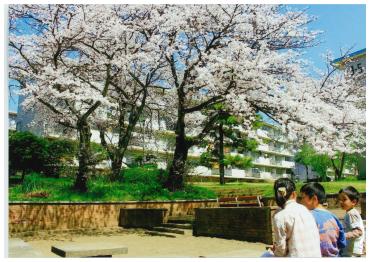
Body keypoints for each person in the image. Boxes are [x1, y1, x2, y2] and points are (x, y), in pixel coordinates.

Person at [263, 178, 321, 257]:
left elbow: (281, 251)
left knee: (266, 255)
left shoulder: (280, 216)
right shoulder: (306, 210)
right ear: (294, 194)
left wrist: (274, 250)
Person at [300, 182, 346, 257]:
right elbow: (342, 242)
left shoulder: (307, 216)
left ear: (314, 199)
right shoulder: (333, 216)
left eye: (302, 197)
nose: (301, 201)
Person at [338, 186, 365, 257]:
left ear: (353, 202)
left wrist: (343, 236)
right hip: (351, 251)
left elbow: (358, 231)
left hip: (351, 252)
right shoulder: (351, 212)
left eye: (344, 199)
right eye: (340, 199)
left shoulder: (351, 213)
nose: (341, 202)